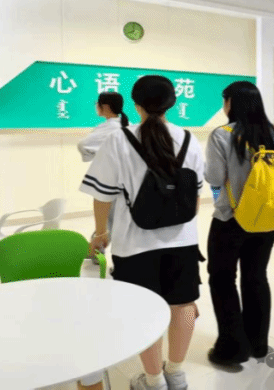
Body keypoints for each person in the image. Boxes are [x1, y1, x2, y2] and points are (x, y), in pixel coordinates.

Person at [80, 76, 205, 390]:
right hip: (183, 241)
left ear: (136, 105)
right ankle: (176, 373)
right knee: (184, 305)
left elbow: (102, 196)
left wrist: (100, 233)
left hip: (134, 244)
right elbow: (196, 194)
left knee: (143, 311)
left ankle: (154, 380)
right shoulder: (189, 139)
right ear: (171, 103)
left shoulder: (119, 140)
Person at [204, 81, 274, 367]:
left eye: (224, 100)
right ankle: (258, 344)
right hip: (269, 219)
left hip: (231, 218)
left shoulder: (222, 135)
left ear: (230, 103)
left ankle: (232, 348)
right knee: (256, 276)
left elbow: (215, 178)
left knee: (222, 279)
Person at [78, 92, 129, 264]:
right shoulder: (128, 126)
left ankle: (98, 251)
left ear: (105, 106)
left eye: (97, 103)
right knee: (118, 221)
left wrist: (96, 154)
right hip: (128, 183)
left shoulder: (109, 128)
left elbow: (84, 145)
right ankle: (97, 251)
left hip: (110, 181)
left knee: (107, 221)